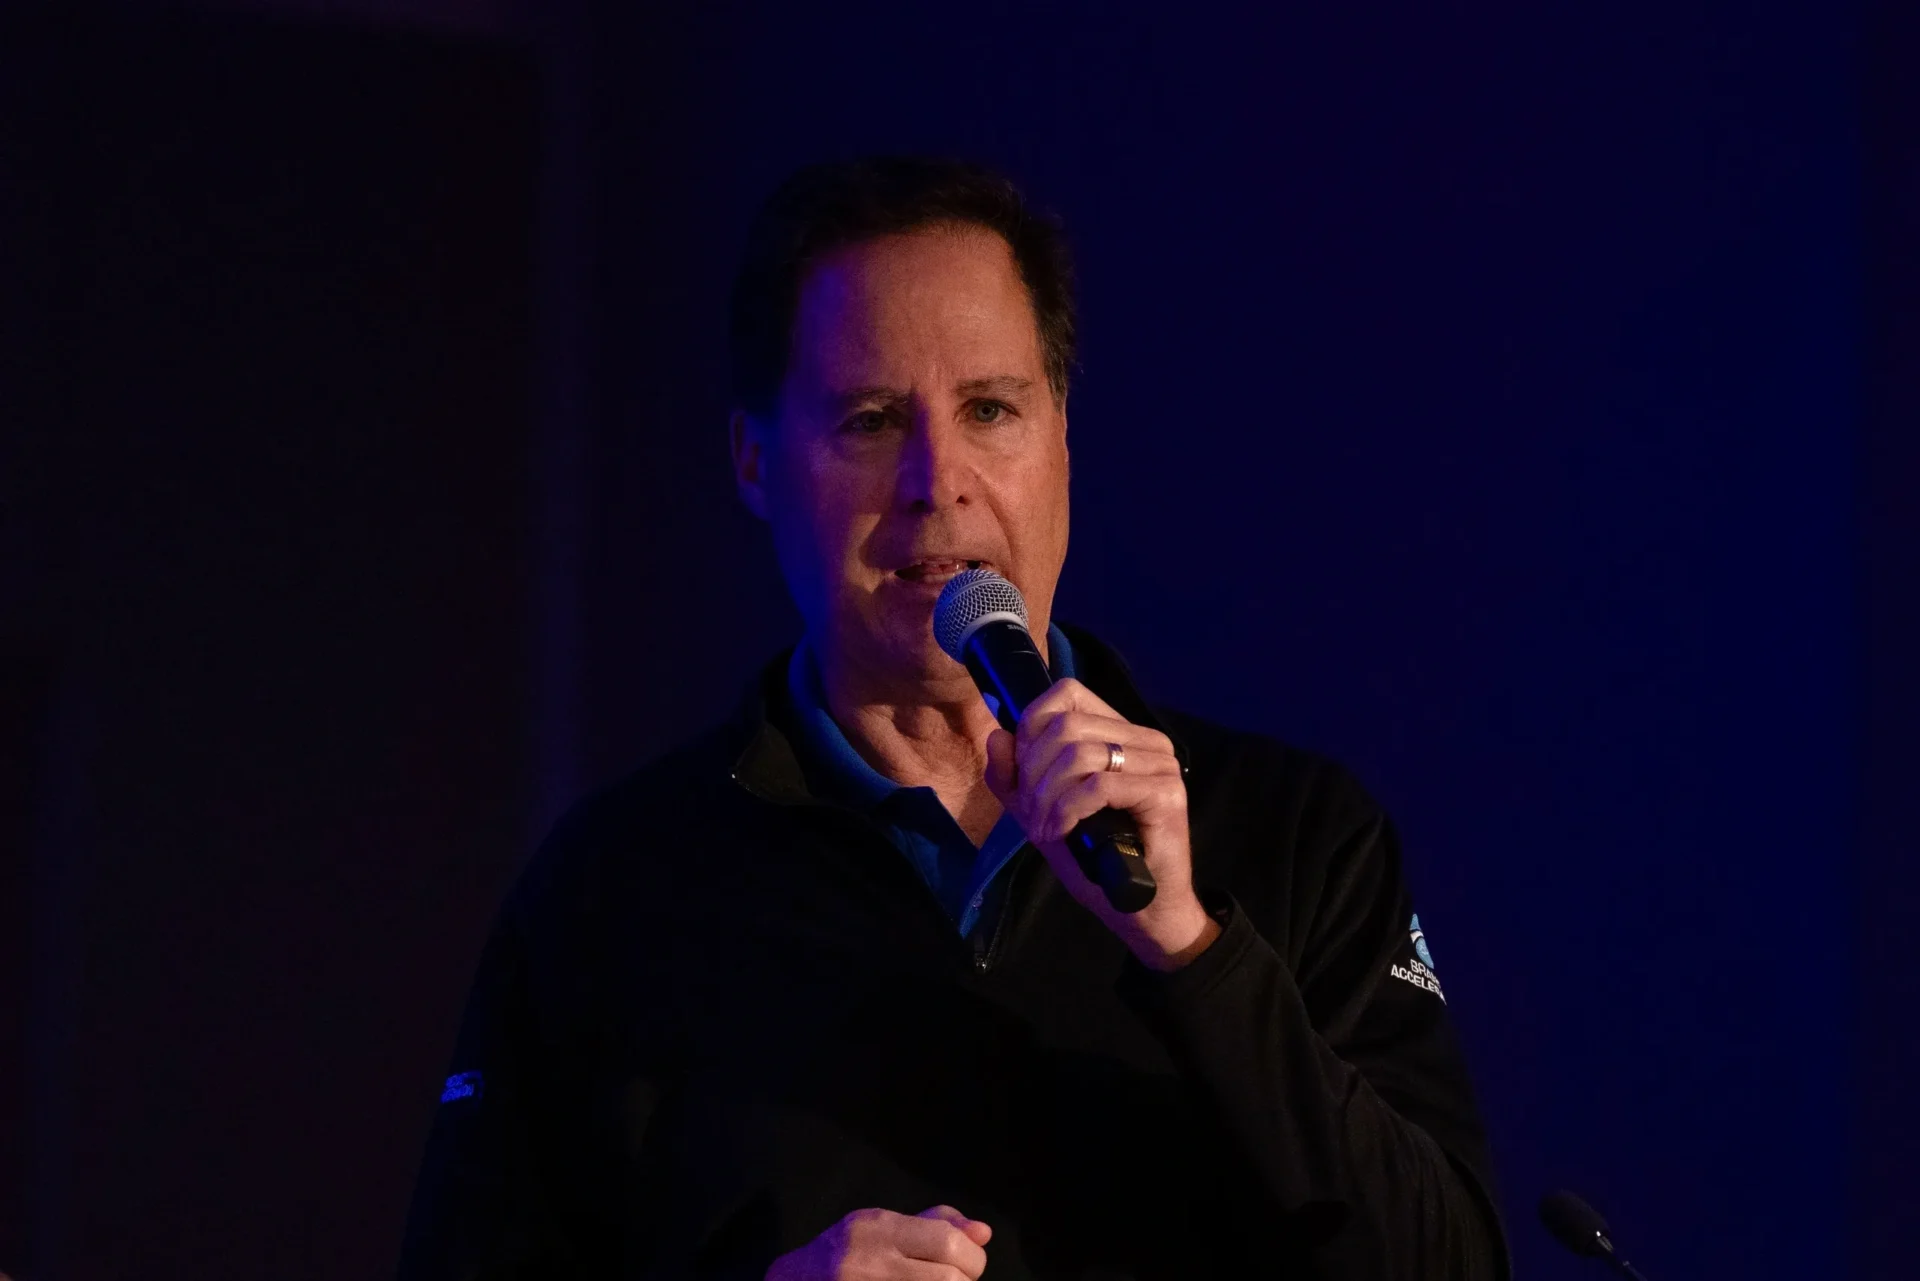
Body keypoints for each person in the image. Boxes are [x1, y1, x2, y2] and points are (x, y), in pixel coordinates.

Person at [398, 157, 1508, 1281]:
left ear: (1061, 441)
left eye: (990, 409)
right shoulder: (611, 895)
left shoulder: (1298, 837)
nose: (940, 479)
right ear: (754, 462)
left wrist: (1191, 946)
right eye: (871, 420)